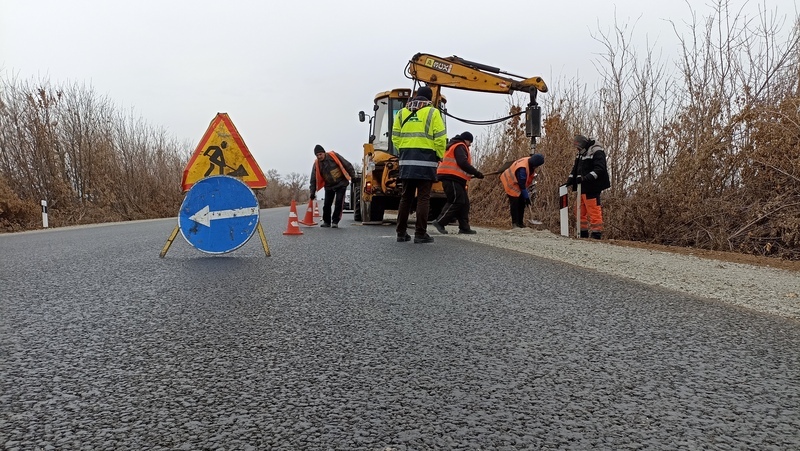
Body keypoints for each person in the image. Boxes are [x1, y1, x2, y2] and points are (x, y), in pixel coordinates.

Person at [391, 85, 447, 243]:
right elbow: (441, 137)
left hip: (406, 160)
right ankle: (420, 234)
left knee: (406, 197)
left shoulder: (402, 112)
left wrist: (403, 152)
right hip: (426, 160)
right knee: (423, 197)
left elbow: (395, 136)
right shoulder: (432, 112)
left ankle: (401, 233)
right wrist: (438, 155)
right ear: (429, 98)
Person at [431, 131, 484, 235]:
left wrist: (471, 174)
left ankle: (464, 227)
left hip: (456, 179)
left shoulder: (454, 145)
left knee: (464, 203)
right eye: (470, 142)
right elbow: (462, 163)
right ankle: (440, 222)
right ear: (466, 140)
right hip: (451, 178)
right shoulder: (460, 146)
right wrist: (476, 173)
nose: (470, 145)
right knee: (456, 201)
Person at [564, 134, 611, 239]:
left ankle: (596, 234)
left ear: (583, 145)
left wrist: (586, 178)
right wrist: (570, 179)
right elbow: (575, 168)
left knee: (593, 210)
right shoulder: (581, 153)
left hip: (593, 187)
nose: (577, 149)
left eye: (578, 147)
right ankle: (582, 232)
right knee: (579, 210)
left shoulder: (597, 151)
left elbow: (599, 169)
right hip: (582, 187)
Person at [309, 144, 356, 228]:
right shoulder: (316, 164)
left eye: (320, 154)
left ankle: (335, 221)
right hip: (329, 185)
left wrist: (353, 176)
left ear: (324, 153)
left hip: (341, 183)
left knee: (338, 202)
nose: (319, 157)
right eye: (317, 155)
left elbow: (347, 164)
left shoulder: (333, 156)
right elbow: (313, 179)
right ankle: (326, 221)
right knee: (327, 204)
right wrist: (312, 192)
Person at [500, 154, 545, 228]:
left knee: (522, 202)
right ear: (535, 164)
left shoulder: (530, 162)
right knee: (515, 202)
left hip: (518, 183)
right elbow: (521, 184)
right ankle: (515, 224)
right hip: (510, 183)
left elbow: (524, 183)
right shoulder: (522, 169)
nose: (537, 167)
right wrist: (527, 197)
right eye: (537, 166)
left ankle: (520, 223)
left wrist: (525, 198)